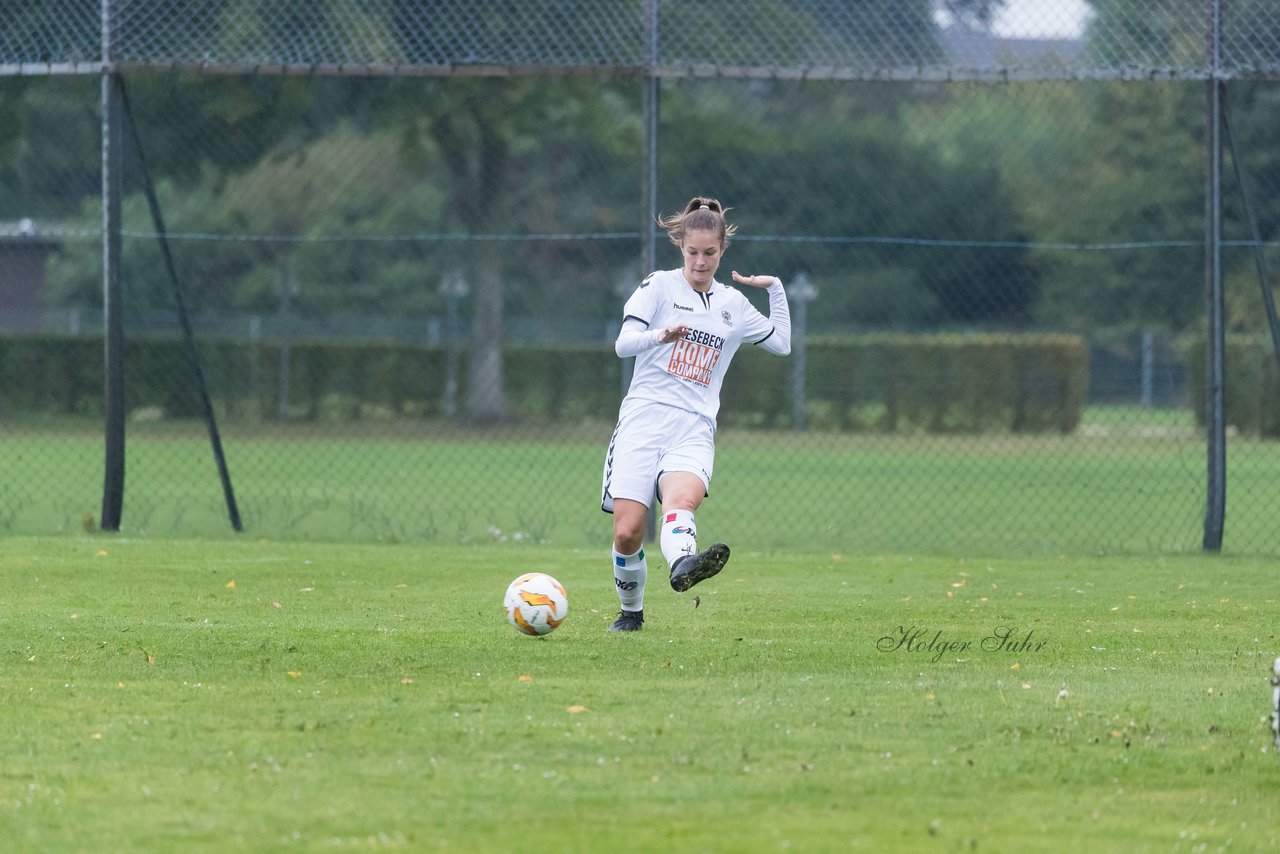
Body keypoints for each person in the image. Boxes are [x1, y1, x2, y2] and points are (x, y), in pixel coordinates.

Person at [600, 196, 792, 632]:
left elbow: (782, 343)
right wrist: (659, 336)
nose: (701, 261)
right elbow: (622, 344)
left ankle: (685, 562)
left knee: (681, 501)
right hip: (644, 418)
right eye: (692, 252)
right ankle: (631, 614)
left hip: (694, 426)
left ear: (723, 250)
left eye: (710, 253)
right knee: (628, 532)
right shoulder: (659, 286)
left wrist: (775, 289)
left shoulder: (733, 305)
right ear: (680, 246)